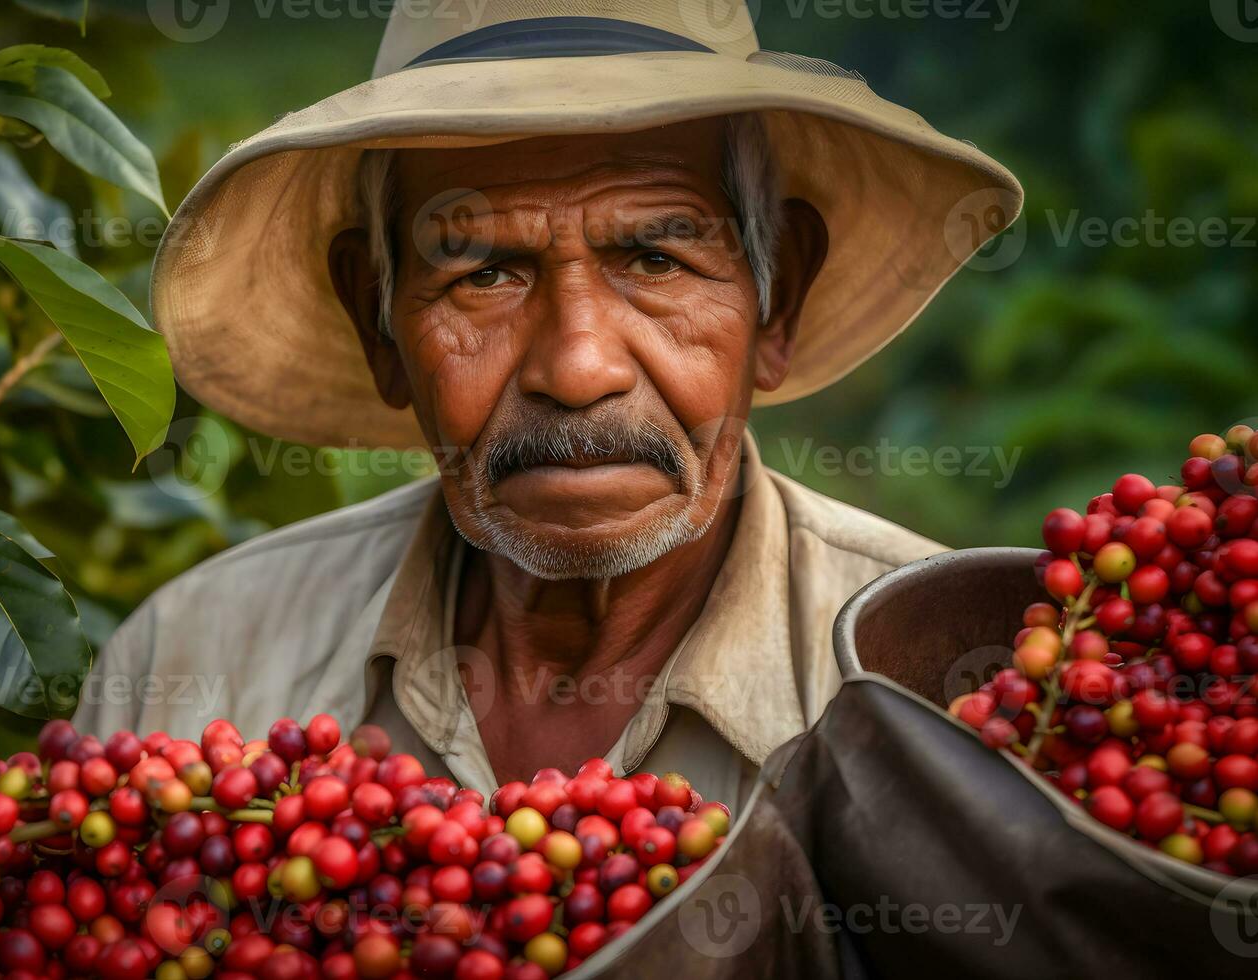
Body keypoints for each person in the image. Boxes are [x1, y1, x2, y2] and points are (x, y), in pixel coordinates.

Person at [73, 0, 1021, 812]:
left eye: (657, 259)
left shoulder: (960, 690)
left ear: (780, 297)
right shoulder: (190, 673)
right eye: (485, 273)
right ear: (377, 319)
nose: (577, 369)